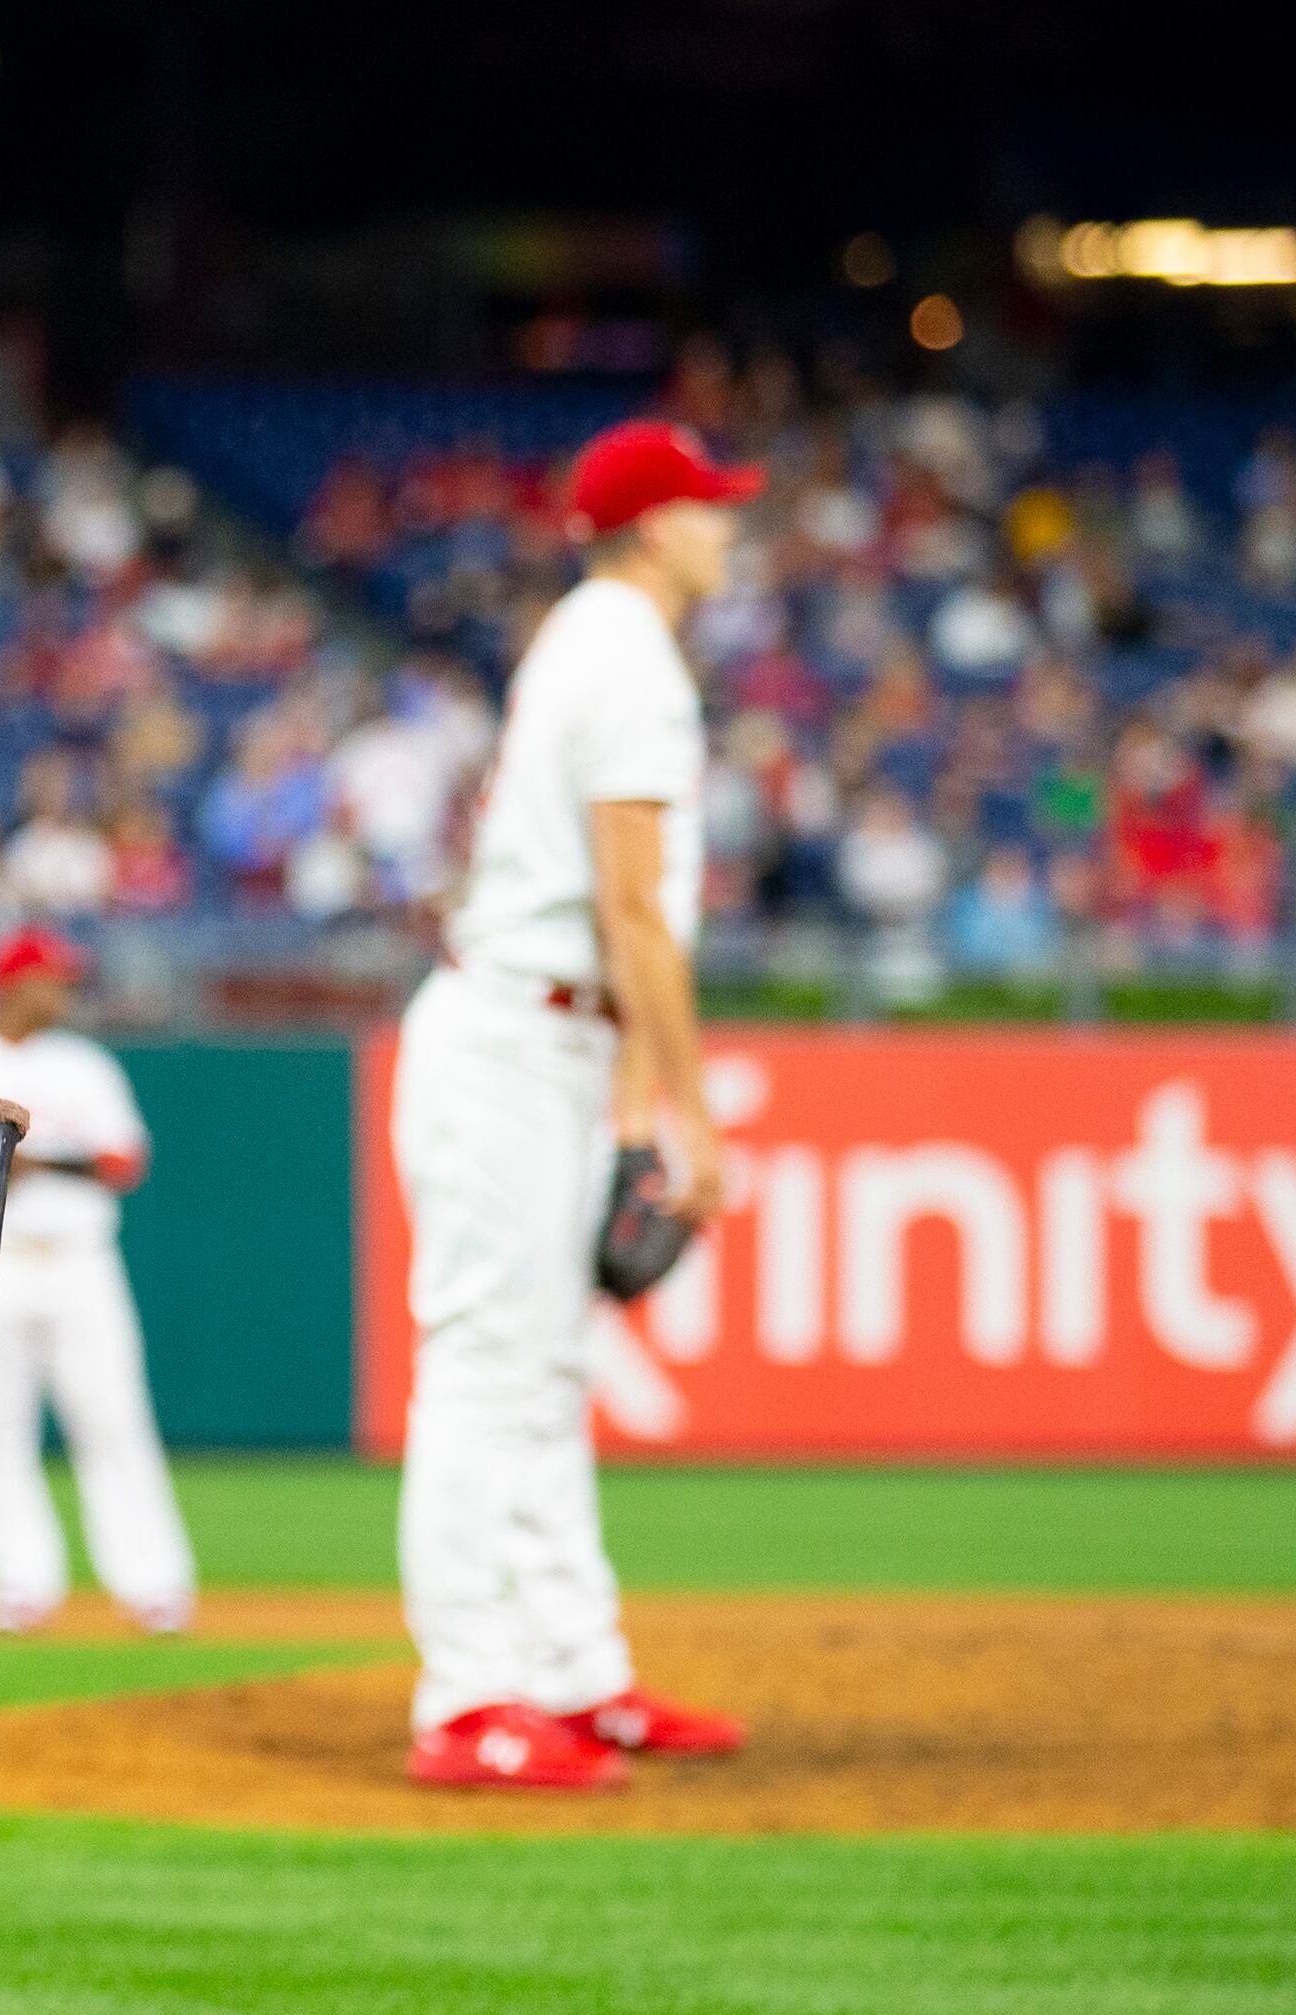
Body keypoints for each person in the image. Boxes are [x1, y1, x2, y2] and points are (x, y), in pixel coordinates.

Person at [393, 420, 755, 1792]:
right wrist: (686, 1113)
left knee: (538, 1371)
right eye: (709, 507)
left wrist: (623, 1098)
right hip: (510, 1035)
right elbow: (633, 909)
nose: (727, 526)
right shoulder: (629, 653)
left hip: (537, 1035)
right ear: (656, 525)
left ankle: (572, 1674)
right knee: (492, 1368)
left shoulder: (591, 639)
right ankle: (468, 1695)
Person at [0, 927, 195, 1635]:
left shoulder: (86, 1064)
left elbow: (124, 1163)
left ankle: (153, 1584)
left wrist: (39, 1164)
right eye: (52, 979)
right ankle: (23, 1584)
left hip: (80, 1261)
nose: (64, 991)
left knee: (113, 1420)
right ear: (12, 984)